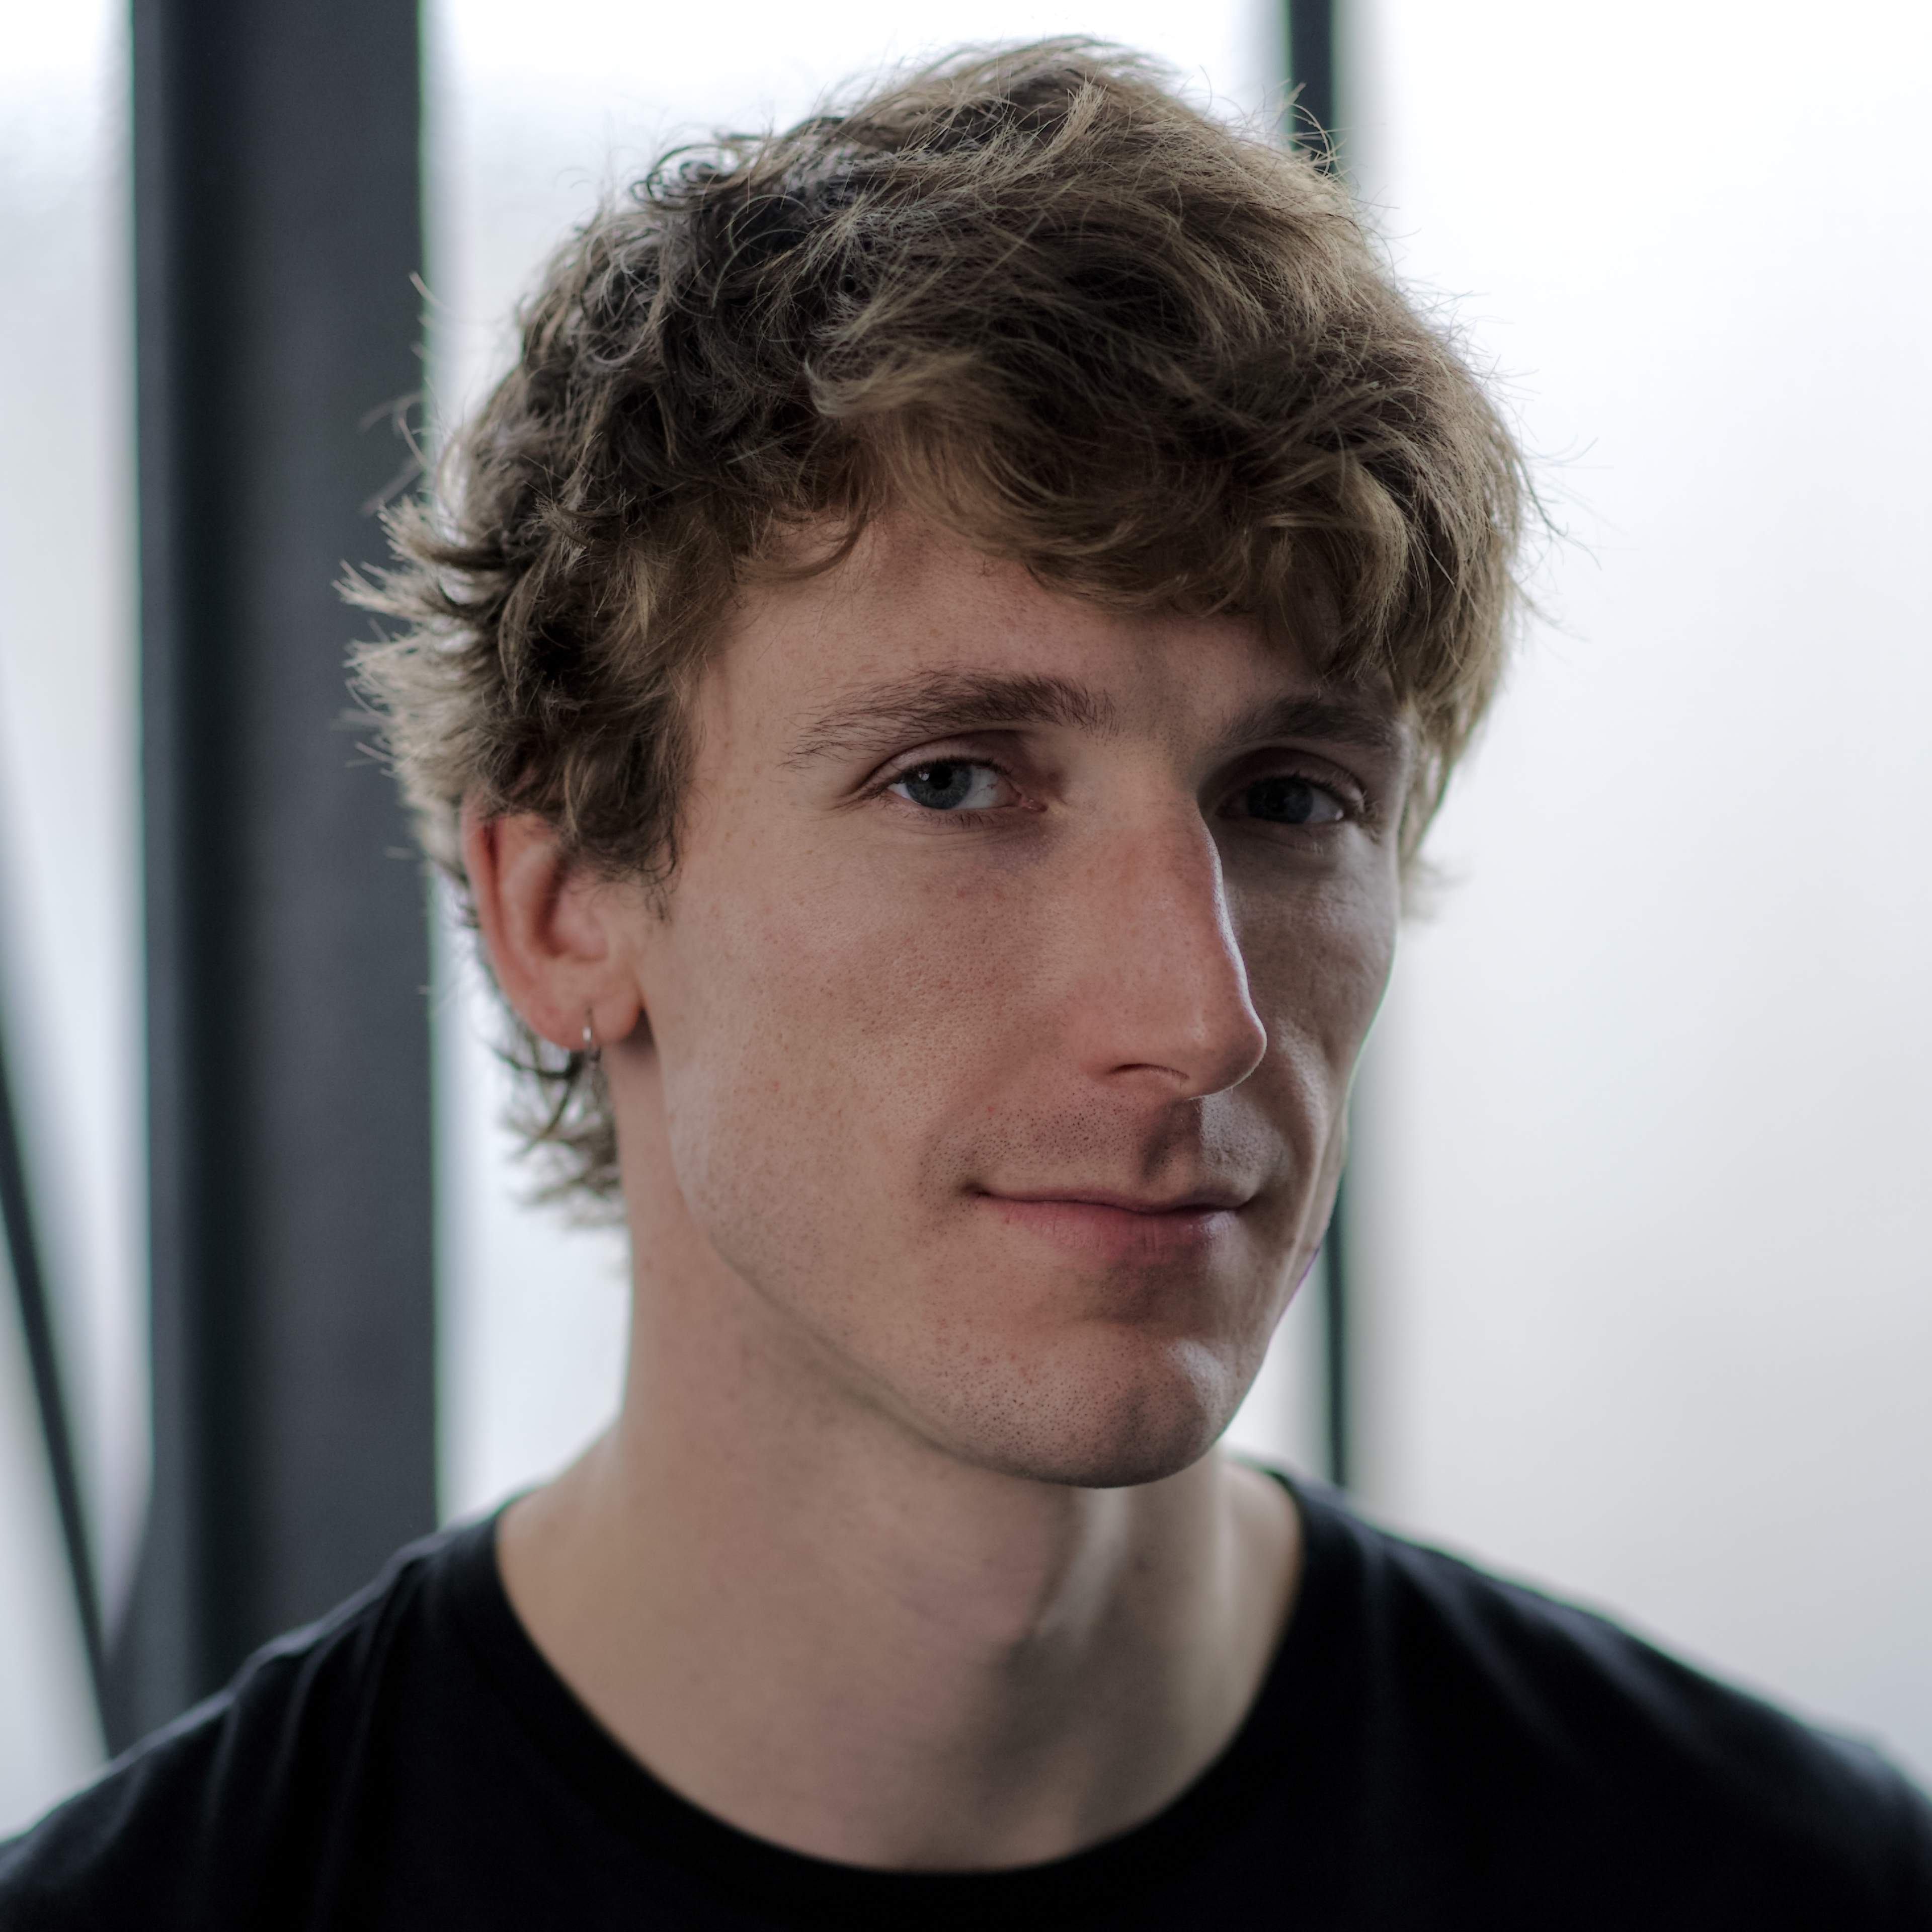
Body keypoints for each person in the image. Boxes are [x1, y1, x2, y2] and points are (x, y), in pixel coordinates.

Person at [4, 39, 1928, 1930]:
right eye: (953, 782)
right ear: (565, 906)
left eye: (1289, 798)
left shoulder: (1785, 1889)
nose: (1201, 1019)